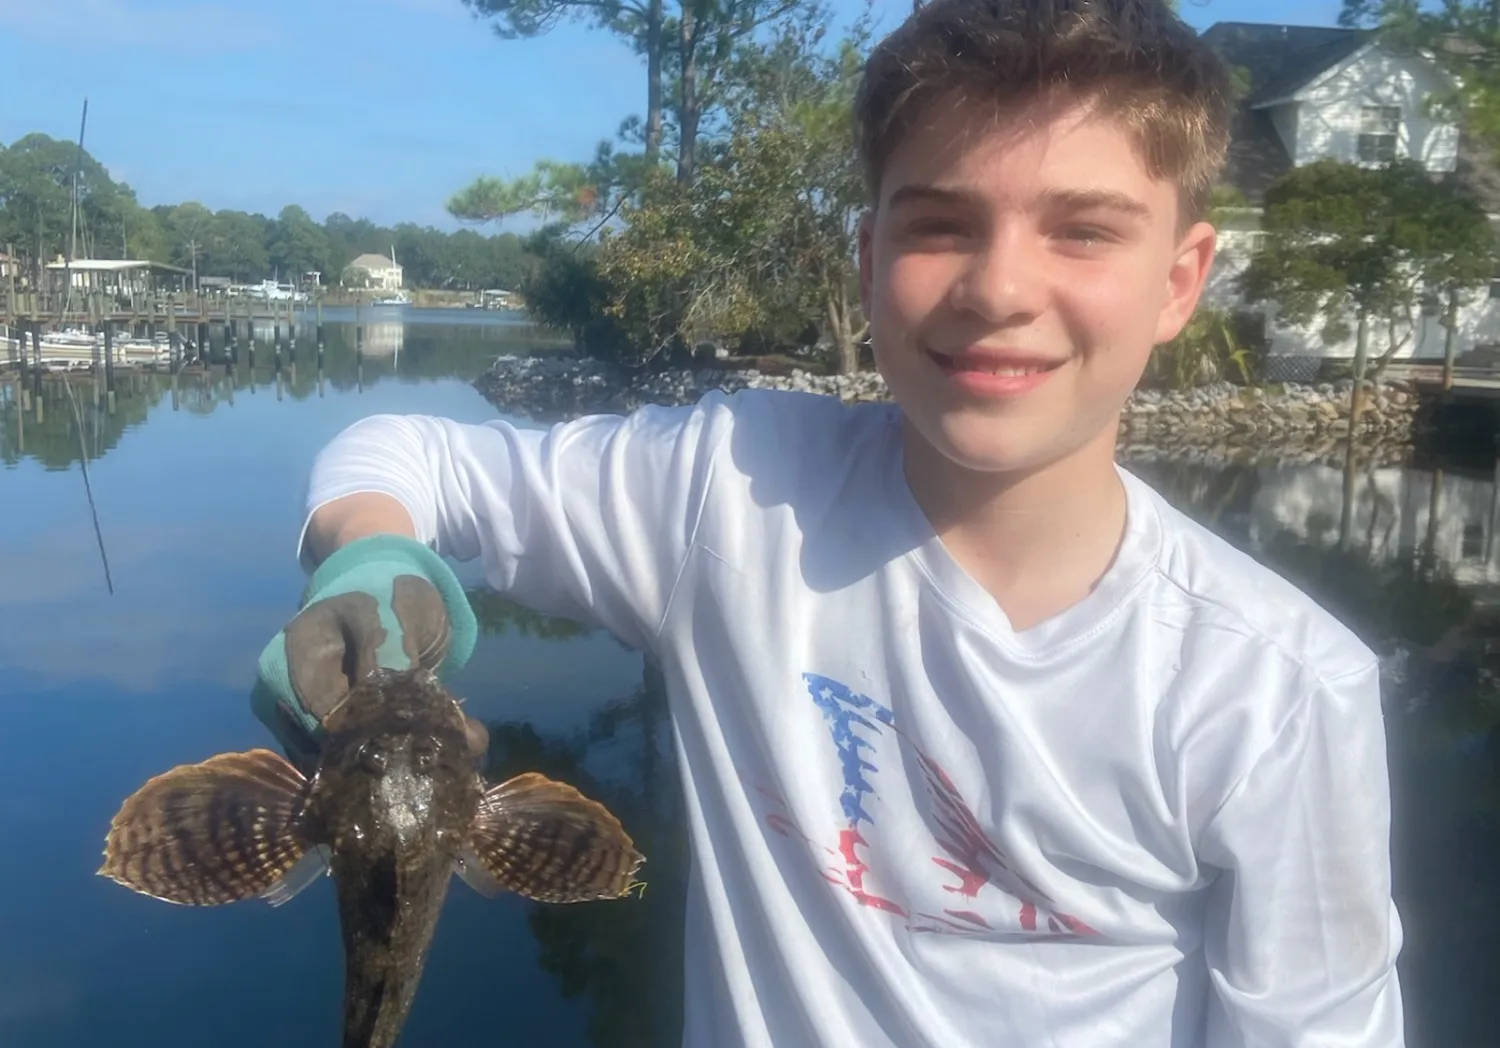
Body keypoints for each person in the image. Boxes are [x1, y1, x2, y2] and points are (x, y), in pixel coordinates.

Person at [251, 0, 1407, 1043]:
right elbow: (396, 449)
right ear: (868, 259)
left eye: (1085, 229)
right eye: (940, 223)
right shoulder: (731, 489)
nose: (1000, 289)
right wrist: (369, 552)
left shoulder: (1276, 692)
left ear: (1179, 279)